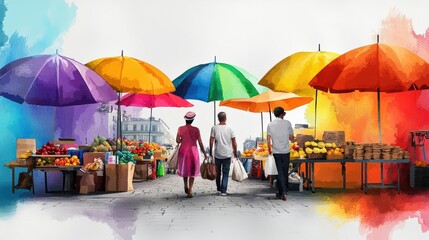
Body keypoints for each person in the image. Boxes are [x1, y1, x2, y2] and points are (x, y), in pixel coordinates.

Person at [176, 111, 208, 198]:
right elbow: (200, 143)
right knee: (192, 171)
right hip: (193, 152)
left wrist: (183, 139)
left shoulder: (180, 128)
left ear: (185, 119)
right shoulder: (196, 129)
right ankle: (190, 190)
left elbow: (177, 141)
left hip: (183, 152)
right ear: (193, 120)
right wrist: (205, 153)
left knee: (185, 169)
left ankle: (185, 185)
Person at [267, 106, 294, 201]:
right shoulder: (287, 123)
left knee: (279, 172)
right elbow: (291, 137)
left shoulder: (270, 124)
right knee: (284, 171)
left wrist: (269, 148)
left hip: (276, 151)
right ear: (282, 114)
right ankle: (284, 192)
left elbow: (268, 138)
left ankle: (281, 192)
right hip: (286, 151)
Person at [209, 112, 238, 196]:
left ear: (218, 118)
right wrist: (235, 153)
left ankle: (218, 187)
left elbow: (211, 141)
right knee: (225, 173)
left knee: (217, 172)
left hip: (217, 153)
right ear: (226, 118)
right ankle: (223, 191)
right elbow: (234, 143)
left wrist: (210, 152)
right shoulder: (230, 129)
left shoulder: (214, 128)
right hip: (227, 154)